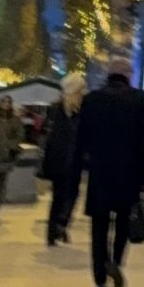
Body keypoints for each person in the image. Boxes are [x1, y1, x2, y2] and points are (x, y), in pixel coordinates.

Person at [71, 62, 144, 287]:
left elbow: (81, 140)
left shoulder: (93, 99)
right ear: (127, 75)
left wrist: (79, 170)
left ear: (109, 76)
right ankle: (116, 261)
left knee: (99, 227)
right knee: (124, 224)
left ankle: (99, 278)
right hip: (129, 174)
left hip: (100, 174)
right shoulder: (138, 99)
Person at [40, 74, 86, 245]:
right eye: (81, 89)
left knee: (71, 195)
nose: (84, 92)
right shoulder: (57, 109)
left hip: (74, 160)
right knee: (60, 196)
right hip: (59, 161)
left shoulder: (81, 110)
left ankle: (61, 225)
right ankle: (54, 231)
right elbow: (47, 135)